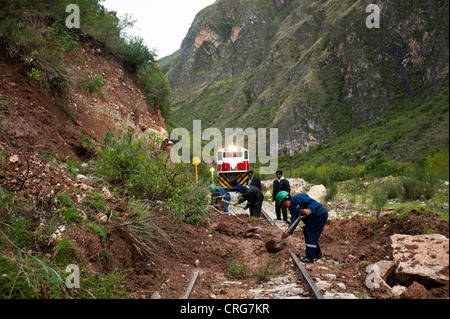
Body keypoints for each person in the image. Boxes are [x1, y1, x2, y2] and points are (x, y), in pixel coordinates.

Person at [276, 190, 328, 263]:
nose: (283, 206)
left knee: (309, 233)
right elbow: (294, 222)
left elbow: (313, 203)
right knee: (309, 233)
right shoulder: (292, 209)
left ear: (285, 200)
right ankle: (316, 254)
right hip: (312, 219)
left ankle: (309, 257)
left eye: (282, 204)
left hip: (319, 214)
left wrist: (309, 210)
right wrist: (288, 232)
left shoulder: (299, 198)